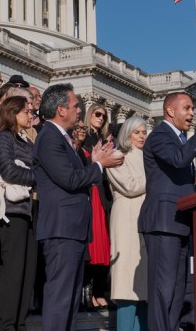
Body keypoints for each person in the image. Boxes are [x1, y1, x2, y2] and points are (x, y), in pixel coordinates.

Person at [139, 92, 196, 331]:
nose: (192, 113)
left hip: (180, 221)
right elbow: (178, 160)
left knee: (177, 290)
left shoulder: (180, 138)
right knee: (163, 290)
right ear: (170, 111)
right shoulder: (160, 135)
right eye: (187, 108)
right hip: (163, 223)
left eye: (192, 108)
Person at [33, 83, 123, 331]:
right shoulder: (49, 137)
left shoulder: (61, 138)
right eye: (75, 106)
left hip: (72, 229)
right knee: (60, 299)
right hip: (61, 229)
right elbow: (69, 180)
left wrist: (94, 161)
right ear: (61, 109)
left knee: (70, 300)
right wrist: (99, 166)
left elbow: (73, 176)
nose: (79, 110)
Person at [0, 96, 38, 331]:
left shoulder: (27, 141)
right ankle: (7, 324)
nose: (31, 116)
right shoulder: (1, 137)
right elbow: (8, 171)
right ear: (13, 113)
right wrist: (37, 178)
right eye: (26, 112)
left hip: (29, 211)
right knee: (13, 268)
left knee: (27, 270)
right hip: (10, 210)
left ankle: (20, 322)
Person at [106, 117, 149, 331]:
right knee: (126, 282)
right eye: (137, 132)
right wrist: (154, 178)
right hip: (126, 220)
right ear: (127, 134)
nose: (142, 136)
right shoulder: (117, 157)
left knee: (144, 286)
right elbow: (130, 186)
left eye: (144, 132)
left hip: (145, 219)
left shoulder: (149, 158)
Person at [81, 103, 113, 310]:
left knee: (104, 246)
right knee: (92, 246)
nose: (100, 118)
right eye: (97, 114)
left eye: (104, 116)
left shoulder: (105, 140)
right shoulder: (83, 137)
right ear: (89, 115)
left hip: (104, 193)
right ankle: (88, 292)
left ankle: (99, 291)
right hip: (90, 192)